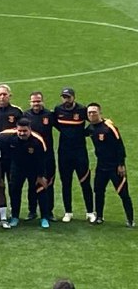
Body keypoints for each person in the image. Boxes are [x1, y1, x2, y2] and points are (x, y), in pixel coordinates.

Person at [0, 119, 51, 228]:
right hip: (17, 169)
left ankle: (44, 218)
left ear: (30, 130)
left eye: (25, 131)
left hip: (35, 169)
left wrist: (41, 176)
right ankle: (15, 217)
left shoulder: (37, 141)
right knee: (14, 192)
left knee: (41, 192)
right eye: (20, 131)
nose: (22, 133)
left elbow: (42, 159)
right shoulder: (9, 137)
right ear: (16, 129)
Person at [86, 102, 134, 226]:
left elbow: (120, 145)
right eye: (89, 112)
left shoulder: (109, 127)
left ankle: (130, 220)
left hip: (115, 166)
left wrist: (121, 164)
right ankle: (100, 217)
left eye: (94, 112)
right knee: (98, 191)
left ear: (100, 113)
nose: (92, 114)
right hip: (101, 166)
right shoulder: (90, 128)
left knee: (123, 193)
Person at [54, 87, 96, 223]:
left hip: (80, 153)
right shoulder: (58, 110)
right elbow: (55, 124)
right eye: (64, 97)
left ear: (73, 97)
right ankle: (68, 212)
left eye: (68, 97)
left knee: (85, 182)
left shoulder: (82, 110)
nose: (66, 99)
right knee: (66, 183)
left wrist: (84, 133)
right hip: (64, 153)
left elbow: (95, 123)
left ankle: (90, 211)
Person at [23, 91, 56, 220]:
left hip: (47, 156)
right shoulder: (25, 115)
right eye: (34, 101)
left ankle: (49, 212)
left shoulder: (49, 115)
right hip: (31, 157)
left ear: (42, 101)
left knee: (49, 184)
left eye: (38, 101)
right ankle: (32, 211)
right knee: (32, 184)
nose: (36, 103)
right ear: (30, 102)